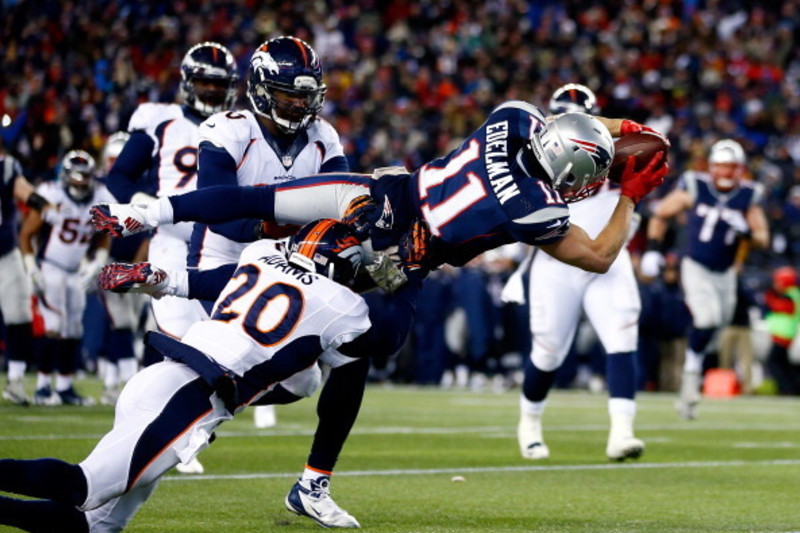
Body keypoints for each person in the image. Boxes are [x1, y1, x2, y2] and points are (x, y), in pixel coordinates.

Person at [0, 218, 427, 533]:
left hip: (167, 376)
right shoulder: (338, 302)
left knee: (97, 527)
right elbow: (387, 339)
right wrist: (413, 277)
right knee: (83, 486)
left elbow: (300, 373)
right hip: (191, 396)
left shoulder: (260, 257)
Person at [92, 103, 668, 279]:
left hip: (378, 190)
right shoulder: (535, 207)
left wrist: (626, 131)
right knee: (304, 290)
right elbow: (596, 255)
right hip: (404, 248)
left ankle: (147, 211)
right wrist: (629, 198)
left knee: (260, 199)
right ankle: (167, 282)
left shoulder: (511, 121)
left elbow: (564, 119)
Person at [188, 36, 349, 439]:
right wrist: (272, 226)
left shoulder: (323, 136)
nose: (299, 104)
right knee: (231, 357)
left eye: (305, 96)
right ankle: (191, 410)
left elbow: (344, 199)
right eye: (287, 94)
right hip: (223, 259)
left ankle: (218, 403)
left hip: (283, 265)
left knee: (305, 381)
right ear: (260, 89)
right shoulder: (229, 130)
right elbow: (215, 210)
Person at [105, 40, 238, 474]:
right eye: (205, 84)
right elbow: (120, 175)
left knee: (227, 346)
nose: (213, 94)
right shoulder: (159, 119)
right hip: (173, 244)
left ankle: (188, 429)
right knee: (183, 342)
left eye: (220, 86)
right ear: (186, 82)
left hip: (223, 245)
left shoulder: (242, 126)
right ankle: (173, 435)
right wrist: (142, 204)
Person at [508, 83, 648, 461]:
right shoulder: (531, 155)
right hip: (558, 261)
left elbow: (649, 154)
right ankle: (530, 422)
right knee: (549, 352)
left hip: (607, 257)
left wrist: (639, 144)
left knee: (622, 336)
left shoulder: (613, 150)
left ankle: (622, 431)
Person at [641, 139, 769, 419]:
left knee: (717, 323)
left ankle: (693, 367)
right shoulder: (695, 186)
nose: (725, 173)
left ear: (740, 169)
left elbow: (763, 237)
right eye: (721, 166)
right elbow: (660, 212)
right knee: (707, 319)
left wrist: (746, 232)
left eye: (731, 167)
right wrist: (652, 249)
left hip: (725, 272)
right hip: (695, 265)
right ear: (711, 167)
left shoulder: (749, 194)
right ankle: (690, 377)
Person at [18, 150, 114, 406]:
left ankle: (64, 387)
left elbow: (105, 232)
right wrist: (30, 267)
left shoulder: (100, 197)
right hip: (50, 267)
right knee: (54, 327)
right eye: (77, 175)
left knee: (74, 329)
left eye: (85, 176)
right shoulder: (51, 194)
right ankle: (41, 387)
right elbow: (26, 234)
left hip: (76, 270)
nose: (81, 181)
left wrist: (98, 261)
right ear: (65, 175)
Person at [0, 135, 53, 405]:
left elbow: (23, 190)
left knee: (19, 314)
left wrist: (40, 203)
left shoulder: (6, 166)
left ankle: (16, 380)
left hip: (5, 254)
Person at [96, 132, 148, 405]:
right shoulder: (101, 189)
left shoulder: (140, 187)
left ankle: (112, 380)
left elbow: (149, 233)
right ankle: (117, 383)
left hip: (136, 264)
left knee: (127, 324)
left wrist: (138, 267)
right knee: (121, 323)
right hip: (107, 261)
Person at [763, 266, 800, 395]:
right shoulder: (791, 294)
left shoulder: (791, 295)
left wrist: (769, 298)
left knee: (774, 363)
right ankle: (792, 388)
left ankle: (787, 389)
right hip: (782, 334)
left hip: (784, 335)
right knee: (782, 363)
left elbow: (781, 307)